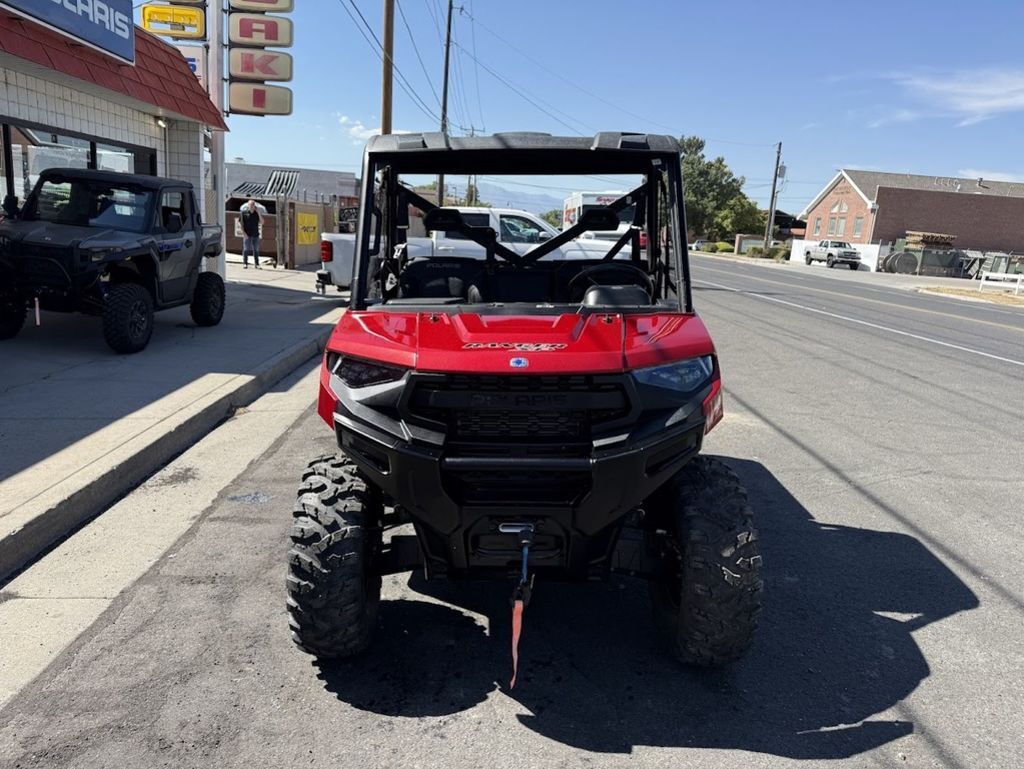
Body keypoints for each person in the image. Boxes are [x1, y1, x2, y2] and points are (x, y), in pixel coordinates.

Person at [240, 199, 262, 269]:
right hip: (247, 234)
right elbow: (241, 224)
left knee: (256, 250)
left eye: (252, 205)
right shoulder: (244, 213)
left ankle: (257, 264)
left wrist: (258, 212)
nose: (251, 206)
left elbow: (262, 222)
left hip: (255, 234)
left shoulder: (256, 213)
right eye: (250, 205)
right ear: (248, 205)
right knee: (246, 249)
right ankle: (245, 263)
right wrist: (244, 233)